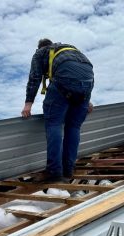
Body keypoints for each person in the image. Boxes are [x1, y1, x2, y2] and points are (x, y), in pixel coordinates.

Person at [21, 38, 94, 183]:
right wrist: (85, 100)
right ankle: (68, 170)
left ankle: (54, 172)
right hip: (88, 82)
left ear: (40, 47)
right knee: (74, 127)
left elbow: (35, 77)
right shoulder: (69, 48)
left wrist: (28, 103)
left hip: (65, 80)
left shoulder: (41, 53)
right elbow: (80, 72)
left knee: (54, 124)